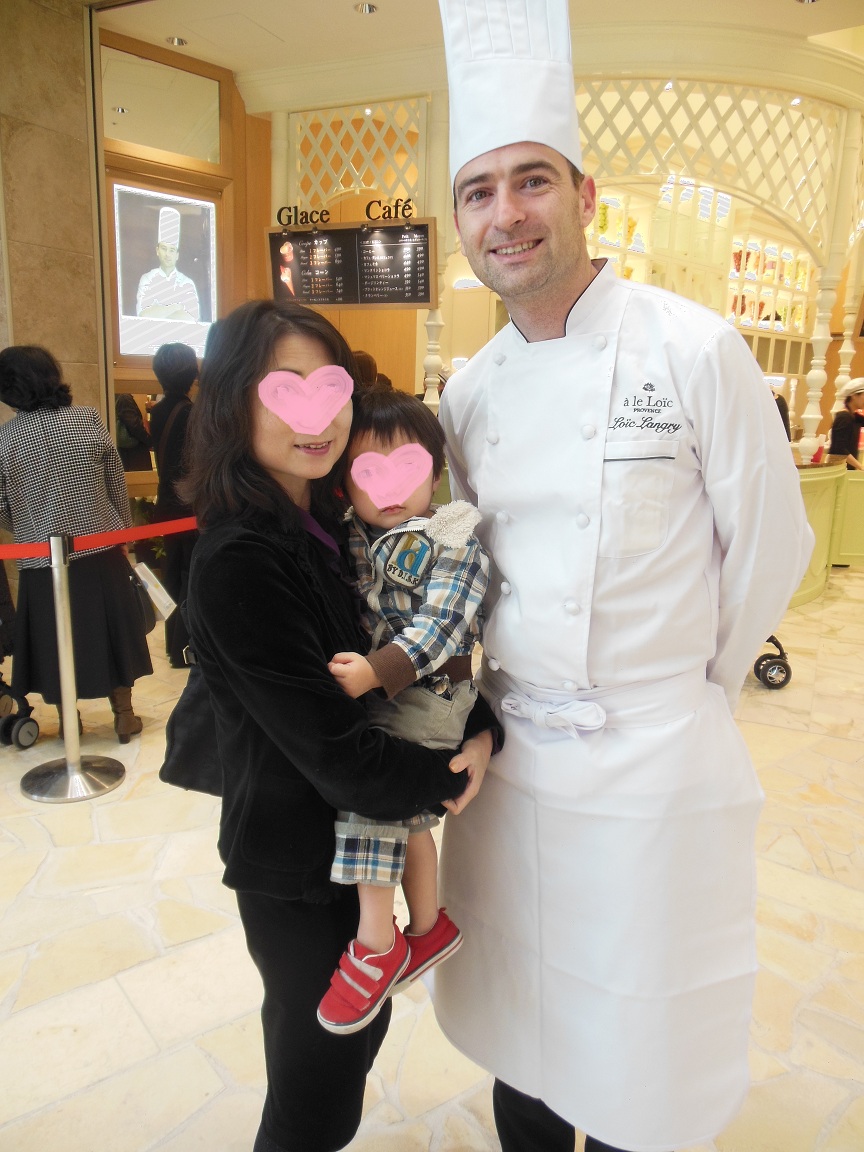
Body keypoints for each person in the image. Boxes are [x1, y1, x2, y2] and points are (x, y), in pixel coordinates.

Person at [432, 3, 815, 1151]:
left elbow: (771, 547)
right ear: (460, 219)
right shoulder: (468, 393)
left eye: (532, 181)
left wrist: (681, 694)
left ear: (585, 195)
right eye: (479, 191)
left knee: (639, 1040)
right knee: (522, 1018)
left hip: (651, 766)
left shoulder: (696, 350)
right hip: (509, 768)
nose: (507, 213)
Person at [181, 299, 499, 1152]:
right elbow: (340, 755)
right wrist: (448, 774)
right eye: (285, 390)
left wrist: (481, 729)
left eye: (330, 389)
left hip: (362, 845)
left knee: (349, 1056)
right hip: (299, 866)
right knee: (313, 1100)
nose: (315, 417)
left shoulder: (334, 526)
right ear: (234, 401)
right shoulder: (242, 558)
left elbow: (422, 647)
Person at [317, 387, 489, 1035]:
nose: (389, 489)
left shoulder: (454, 537)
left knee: (373, 797)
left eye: (407, 468)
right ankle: (427, 925)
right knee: (413, 821)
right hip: (391, 689)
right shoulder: (354, 532)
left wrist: (376, 671)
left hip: (431, 692)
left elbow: (444, 624)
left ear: (436, 472)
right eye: (369, 472)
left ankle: (376, 943)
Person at [0, 345, 152, 741]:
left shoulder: (6, 439)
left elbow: (1, 507)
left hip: (40, 559)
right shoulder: (87, 419)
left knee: (54, 642)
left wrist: (28, 529)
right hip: (101, 549)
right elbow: (115, 483)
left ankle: (70, 722)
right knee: (112, 632)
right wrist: (122, 531)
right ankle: (124, 715)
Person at [149, 342, 199, 666]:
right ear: (192, 373)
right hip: (188, 507)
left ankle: (173, 646)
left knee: (172, 576)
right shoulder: (191, 413)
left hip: (166, 503)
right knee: (190, 576)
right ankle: (185, 647)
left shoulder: (158, 410)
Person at [136, 207, 200, 322]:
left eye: (171, 250)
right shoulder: (147, 279)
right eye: (164, 248)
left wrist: (158, 310)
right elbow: (143, 314)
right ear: (157, 251)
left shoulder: (187, 283)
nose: (167, 254)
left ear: (177, 255)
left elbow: (192, 318)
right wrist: (175, 307)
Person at [826, 377, 864, 469]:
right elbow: (840, 449)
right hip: (839, 469)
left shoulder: (854, 417)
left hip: (846, 468)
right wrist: (860, 467)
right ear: (854, 396)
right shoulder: (844, 417)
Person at [114, 392, 153, 471]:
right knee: (141, 477)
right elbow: (134, 425)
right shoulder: (124, 398)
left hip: (129, 452)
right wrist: (149, 441)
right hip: (134, 452)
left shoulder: (121, 397)